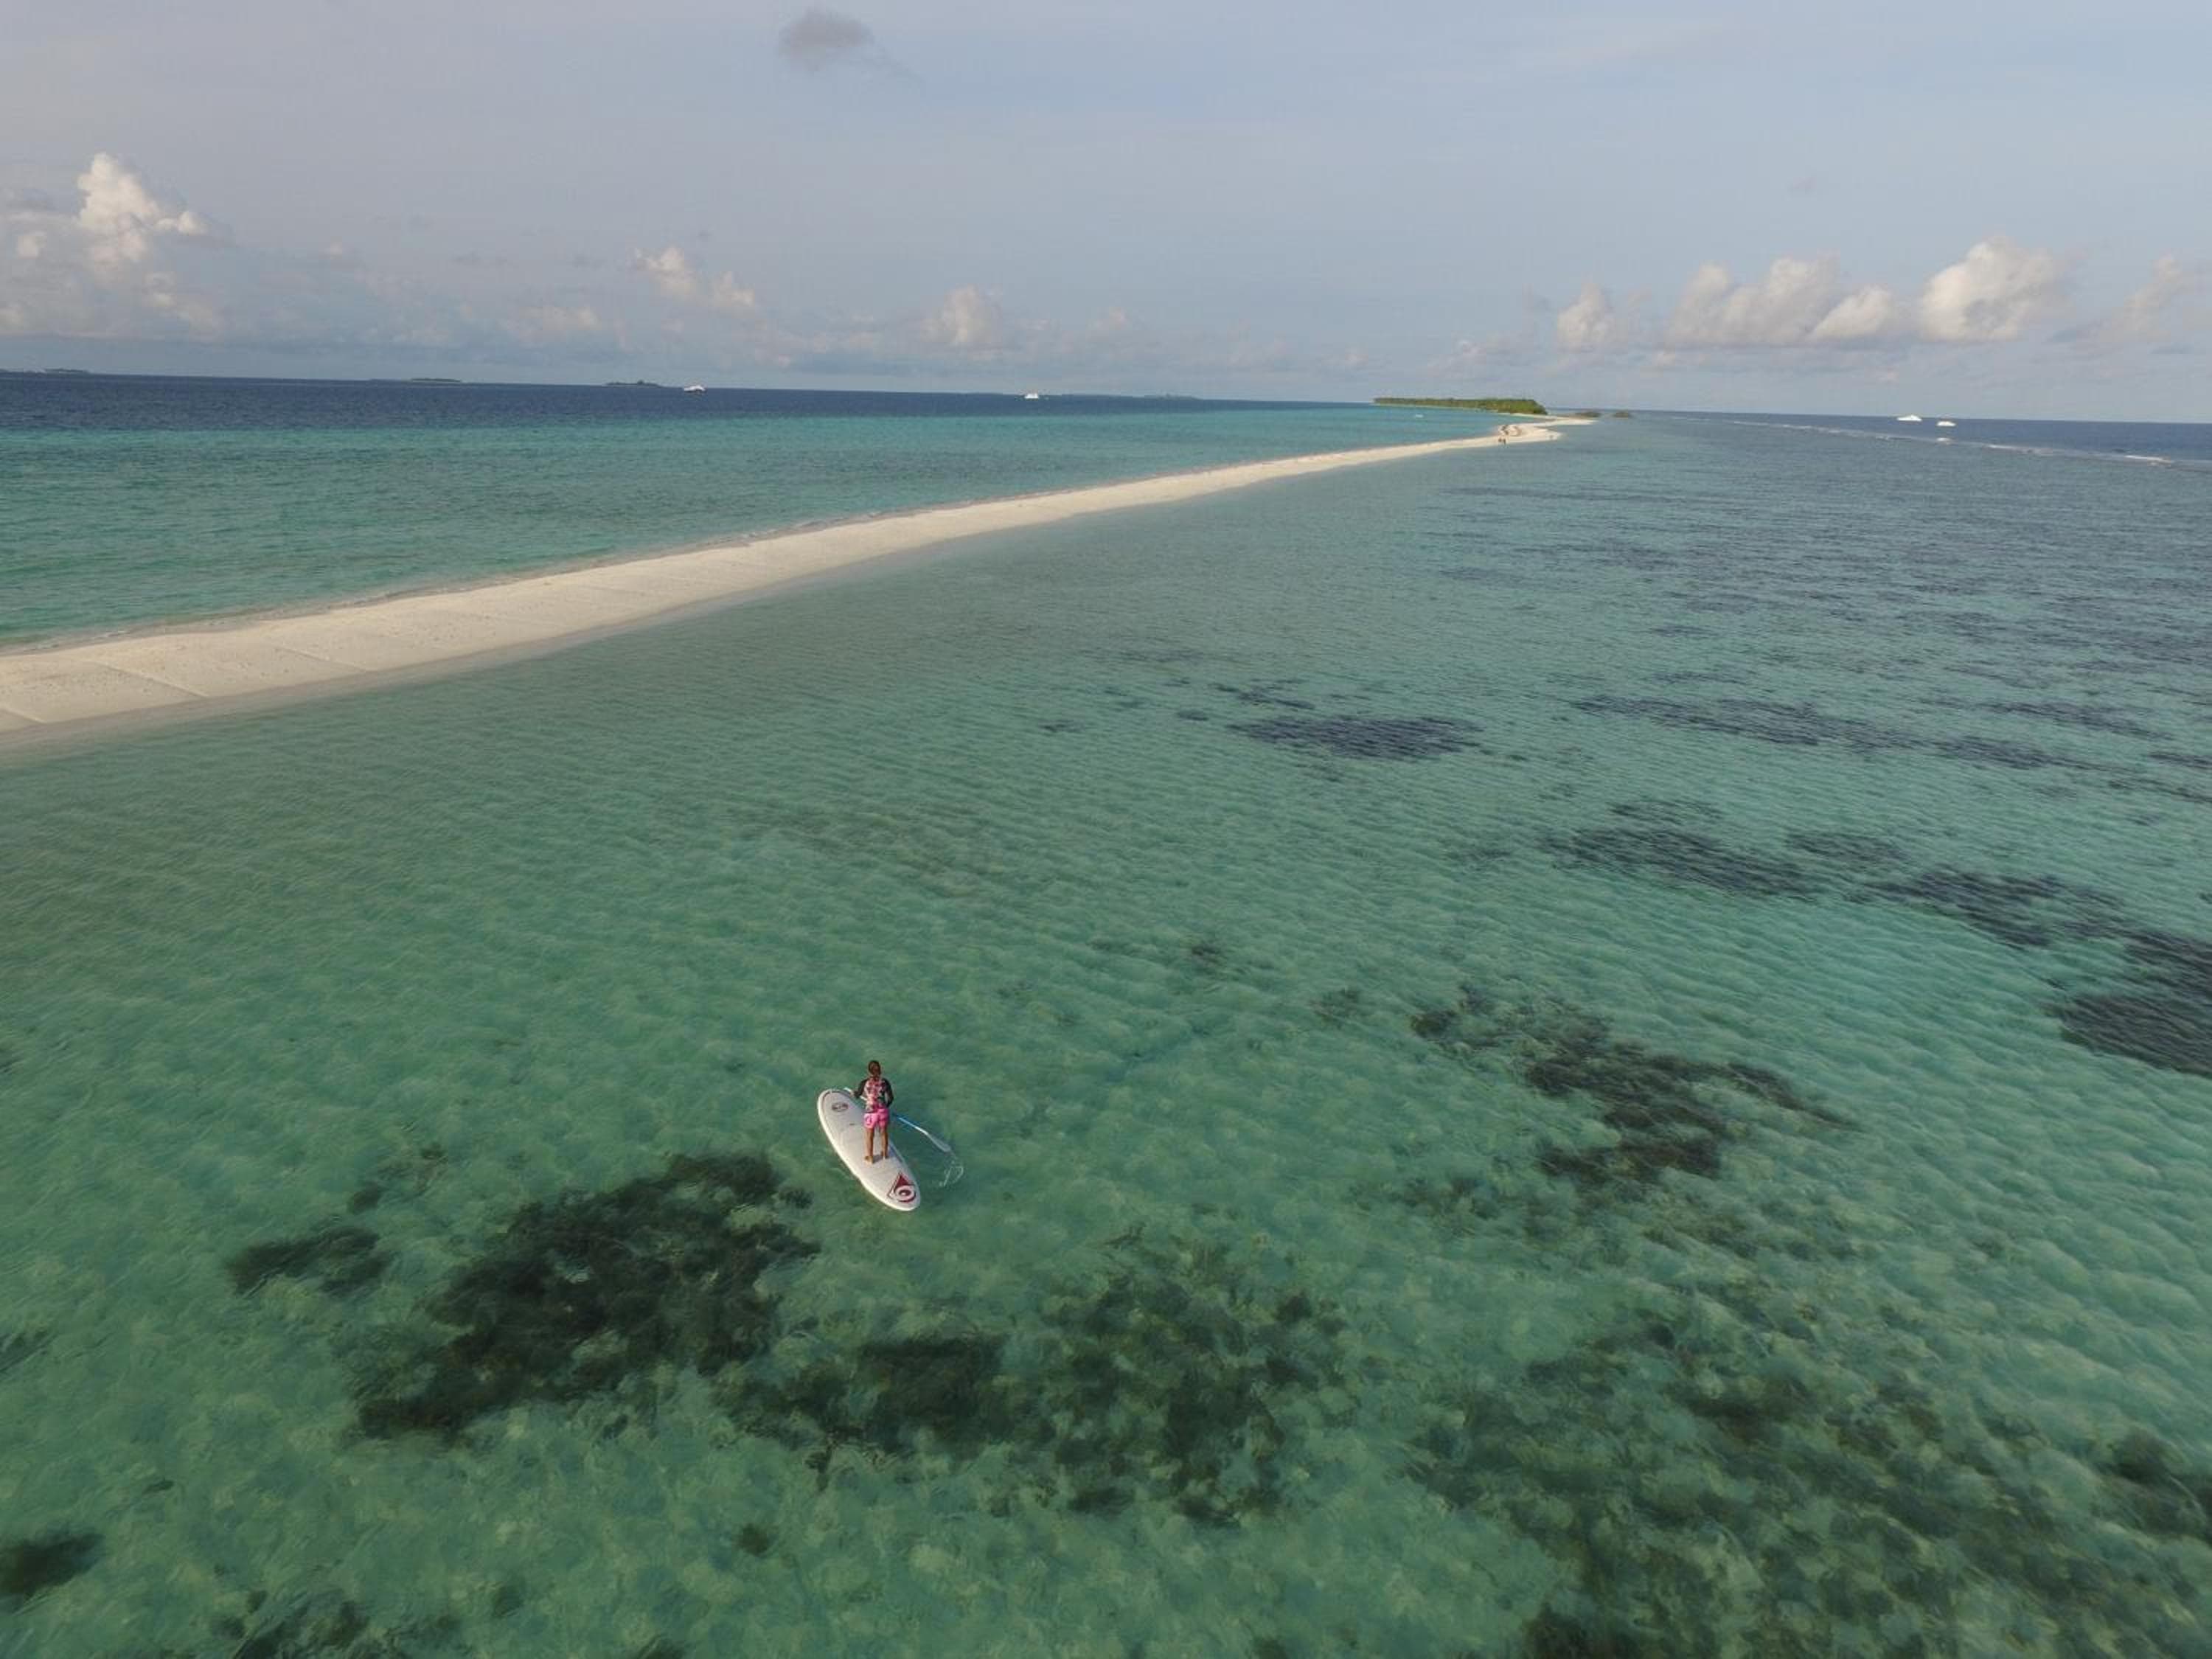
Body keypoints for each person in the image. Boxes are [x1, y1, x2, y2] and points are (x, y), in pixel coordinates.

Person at [857, 1060, 894, 1163]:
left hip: (871, 1113)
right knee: (884, 1133)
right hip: (883, 1112)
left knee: (870, 1135)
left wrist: (854, 1093)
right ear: (880, 1070)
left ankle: (870, 1157)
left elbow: (857, 1095)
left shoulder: (864, 1083)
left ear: (869, 1071)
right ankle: (885, 1154)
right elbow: (891, 1098)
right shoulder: (885, 1082)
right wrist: (885, 1107)